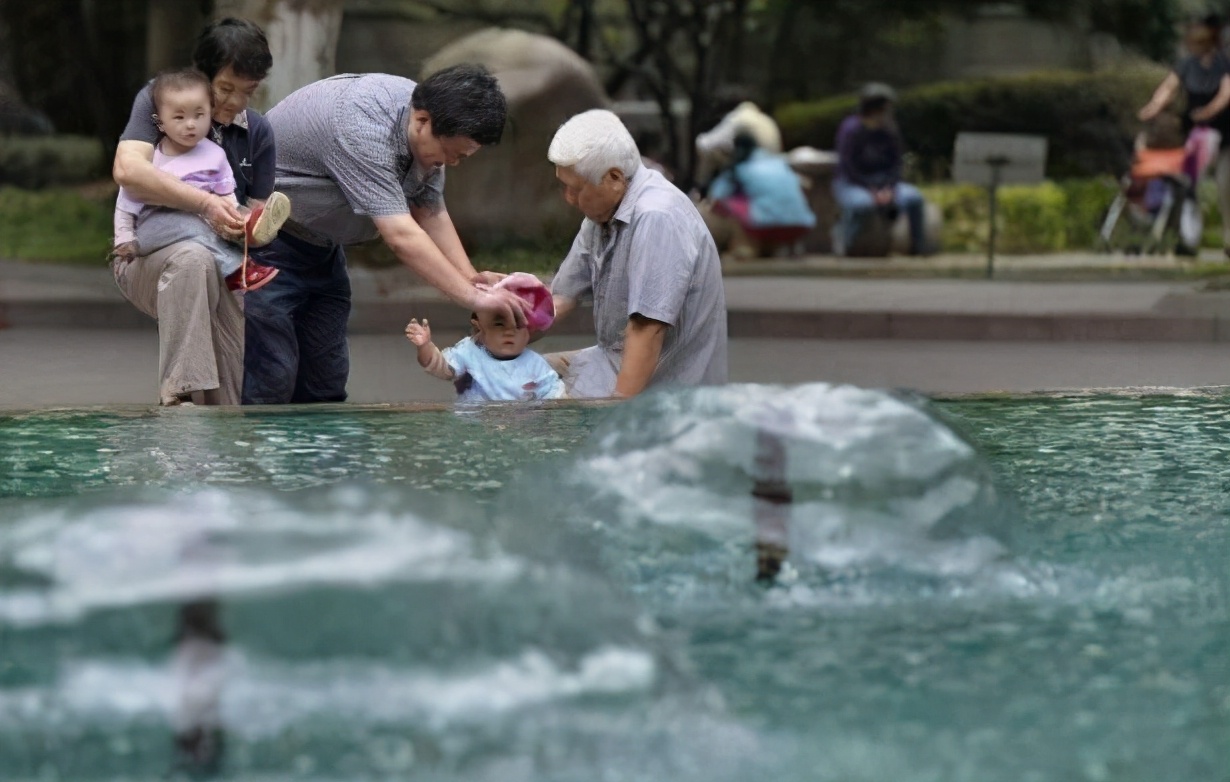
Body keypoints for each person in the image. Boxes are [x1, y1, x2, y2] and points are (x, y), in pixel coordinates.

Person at [242, 66, 529, 405]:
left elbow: (429, 208)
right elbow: (400, 235)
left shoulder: (427, 120)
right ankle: (250, 458)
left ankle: (317, 459)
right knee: (271, 379)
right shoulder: (360, 124)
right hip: (267, 246)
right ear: (423, 121)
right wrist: (474, 299)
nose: (453, 164)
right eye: (452, 154)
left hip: (323, 248)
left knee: (325, 383)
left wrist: (473, 280)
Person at [111, 18, 276, 406]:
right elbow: (127, 171)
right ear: (201, 75)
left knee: (232, 394)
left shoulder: (257, 131)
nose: (234, 102)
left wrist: (245, 227)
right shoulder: (163, 101)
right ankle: (182, 398)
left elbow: (256, 220)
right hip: (146, 253)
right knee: (193, 259)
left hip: (228, 270)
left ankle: (217, 417)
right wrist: (203, 202)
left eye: (247, 91)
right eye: (224, 88)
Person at [547, 109, 728, 399]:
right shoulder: (601, 215)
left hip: (664, 391)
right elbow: (560, 299)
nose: (568, 198)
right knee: (510, 377)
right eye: (563, 186)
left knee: (522, 400)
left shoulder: (657, 217)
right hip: (612, 361)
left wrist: (617, 414)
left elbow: (647, 331)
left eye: (575, 188)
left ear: (615, 178)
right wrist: (506, 309)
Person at [113, 68, 287, 294]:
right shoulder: (153, 159)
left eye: (199, 116)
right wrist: (124, 237)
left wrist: (234, 217)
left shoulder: (215, 155)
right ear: (160, 122)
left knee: (216, 225)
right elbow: (126, 202)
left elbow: (226, 194)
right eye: (179, 117)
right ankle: (236, 269)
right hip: (154, 230)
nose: (190, 124)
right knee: (192, 226)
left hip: (204, 229)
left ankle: (250, 226)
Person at [1139, 14, 1230, 255]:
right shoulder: (1187, 65)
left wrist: (1208, 111)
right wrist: (1153, 106)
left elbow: (1225, 94)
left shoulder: (1224, 63)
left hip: (1225, 136)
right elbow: (1169, 87)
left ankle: (1228, 238)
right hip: (1198, 135)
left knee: (1225, 188)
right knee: (1190, 183)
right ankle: (1186, 236)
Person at [832, 82, 927, 256]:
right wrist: (872, 190)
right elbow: (849, 167)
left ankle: (918, 247)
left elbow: (896, 164)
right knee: (862, 205)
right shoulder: (851, 130)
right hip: (853, 183)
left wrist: (888, 188)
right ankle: (845, 243)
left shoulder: (889, 130)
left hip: (884, 184)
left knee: (915, 198)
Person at [706, 132, 816, 258]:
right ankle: (786, 247)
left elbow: (717, 197)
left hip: (765, 226)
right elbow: (803, 185)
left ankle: (744, 246)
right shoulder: (778, 162)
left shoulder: (739, 166)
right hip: (801, 224)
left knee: (730, 204)